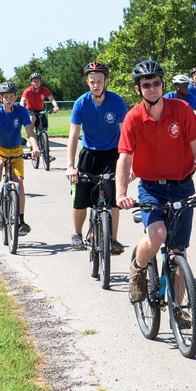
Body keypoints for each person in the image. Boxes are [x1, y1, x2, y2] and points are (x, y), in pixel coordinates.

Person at [117, 60, 196, 303]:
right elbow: (124, 158)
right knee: (157, 234)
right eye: (146, 84)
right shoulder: (133, 118)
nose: (152, 88)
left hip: (182, 186)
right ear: (138, 89)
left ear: (162, 85)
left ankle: (179, 309)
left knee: (178, 252)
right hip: (151, 187)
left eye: (156, 83)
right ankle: (138, 267)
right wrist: (121, 194)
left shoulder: (181, 110)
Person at [66, 61, 129, 254]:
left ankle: (113, 239)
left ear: (106, 81)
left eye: (99, 81)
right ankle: (77, 234)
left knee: (114, 199)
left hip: (112, 153)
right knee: (81, 195)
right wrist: (70, 166)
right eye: (92, 81)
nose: (96, 85)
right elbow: (73, 135)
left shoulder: (116, 101)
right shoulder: (81, 103)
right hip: (89, 153)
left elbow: (125, 134)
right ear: (87, 82)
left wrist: (129, 163)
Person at [0, 81, 41, 235]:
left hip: (15, 149)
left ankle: (21, 220)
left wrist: (35, 147)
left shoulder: (21, 111)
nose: (9, 99)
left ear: (16, 97)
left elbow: (30, 133)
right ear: (1, 98)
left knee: (19, 183)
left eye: (11, 96)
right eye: (5, 97)